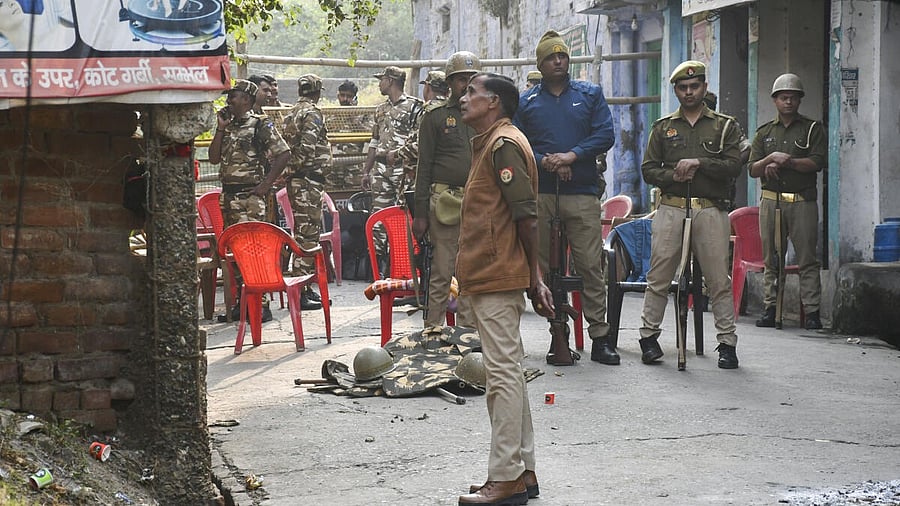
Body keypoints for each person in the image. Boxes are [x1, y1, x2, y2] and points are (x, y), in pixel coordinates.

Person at [455, 72, 553, 506]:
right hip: (487, 273)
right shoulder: (491, 142)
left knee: (501, 378)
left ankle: (506, 477)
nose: (463, 98)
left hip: (499, 274)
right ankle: (523, 471)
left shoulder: (503, 144)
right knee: (508, 373)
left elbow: (527, 216)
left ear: (493, 102)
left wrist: (535, 276)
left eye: (472, 92)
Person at [513, 30, 618, 365]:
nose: (558, 61)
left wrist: (572, 156)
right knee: (542, 267)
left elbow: (605, 133)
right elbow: (518, 140)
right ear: (540, 64)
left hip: (582, 192)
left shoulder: (590, 94)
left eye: (562, 56)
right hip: (541, 192)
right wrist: (548, 161)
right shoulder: (526, 101)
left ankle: (600, 338)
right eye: (550, 57)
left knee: (590, 265)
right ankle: (556, 331)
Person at [638, 60, 742, 369]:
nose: (688, 92)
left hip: (710, 209)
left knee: (717, 279)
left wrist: (699, 163)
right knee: (659, 275)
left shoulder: (724, 126)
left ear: (704, 87)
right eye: (682, 88)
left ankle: (727, 343)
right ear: (676, 91)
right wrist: (674, 175)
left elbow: (735, 166)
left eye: (694, 86)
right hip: (671, 207)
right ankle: (648, 337)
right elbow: (648, 170)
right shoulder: (663, 126)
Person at [208, 79, 292, 322]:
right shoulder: (228, 126)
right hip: (229, 196)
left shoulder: (259, 124)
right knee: (235, 250)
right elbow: (213, 158)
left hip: (251, 197)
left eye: (233, 96)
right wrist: (220, 128)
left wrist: (266, 184)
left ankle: (261, 304)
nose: (228, 100)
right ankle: (243, 303)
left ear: (246, 99)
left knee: (255, 248)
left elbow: (283, 153)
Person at [748, 73, 826, 330]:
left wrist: (788, 161)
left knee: (807, 258)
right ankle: (771, 308)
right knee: (772, 257)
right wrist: (769, 161)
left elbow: (816, 162)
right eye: (783, 97)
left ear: (799, 100)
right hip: (772, 201)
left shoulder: (812, 128)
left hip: (802, 201)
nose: (788, 102)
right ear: (775, 100)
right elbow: (752, 168)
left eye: (793, 97)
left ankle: (812, 311)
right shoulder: (765, 132)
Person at [412, 53, 480, 329]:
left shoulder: (485, 116)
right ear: (451, 82)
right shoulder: (435, 117)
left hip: (479, 202)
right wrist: (420, 213)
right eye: (462, 79)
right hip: (444, 202)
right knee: (441, 271)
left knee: (472, 273)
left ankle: (466, 334)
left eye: (472, 79)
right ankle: (432, 331)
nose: (467, 84)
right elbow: (423, 166)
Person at [281, 74, 333, 310]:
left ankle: (304, 287)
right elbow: (307, 149)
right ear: (317, 91)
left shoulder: (290, 113)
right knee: (308, 236)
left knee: (303, 233)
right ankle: (301, 289)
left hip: (298, 181)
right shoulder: (312, 113)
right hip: (307, 181)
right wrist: (296, 169)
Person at [362, 66, 423, 263]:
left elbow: (419, 140)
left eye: (382, 79)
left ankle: (403, 261)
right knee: (378, 215)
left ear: (390, 80)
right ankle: (377, 264)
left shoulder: (415, 107)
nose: (379, 83)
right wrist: (366, 171)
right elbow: (374, 141)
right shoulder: (380, 110)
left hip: (403, 168)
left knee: (403, 215)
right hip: (380, 170)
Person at [396, 70, 449, 170]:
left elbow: (420, 146)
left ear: (428, 88)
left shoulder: (429, 110)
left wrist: (396, 154)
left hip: (426, 170)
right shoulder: (453, 109)